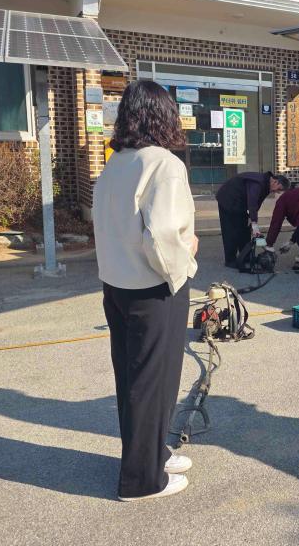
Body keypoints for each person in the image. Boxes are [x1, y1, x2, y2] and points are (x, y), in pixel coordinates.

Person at [93, 80, 199, 501]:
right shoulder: (165, 165)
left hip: (116, 284)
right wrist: (186, 258)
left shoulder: (116, 161)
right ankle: (141, 480)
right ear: (164, 115)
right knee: (154, 381)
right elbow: (162, 237)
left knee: (132, 378)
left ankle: (149, 454)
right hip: (155, 288)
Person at [215, 172, 289, 268]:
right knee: (231, 231)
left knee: (245, 229)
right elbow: (252, 201)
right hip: (228, 199)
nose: (277, 192)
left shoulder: (267, 185)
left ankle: (245, 256)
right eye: (279, 189)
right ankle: (230, 260)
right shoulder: (258, 182)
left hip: (240, 202)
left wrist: (253, 221)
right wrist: (254, 223)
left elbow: (258, 203)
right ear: (275, 182)